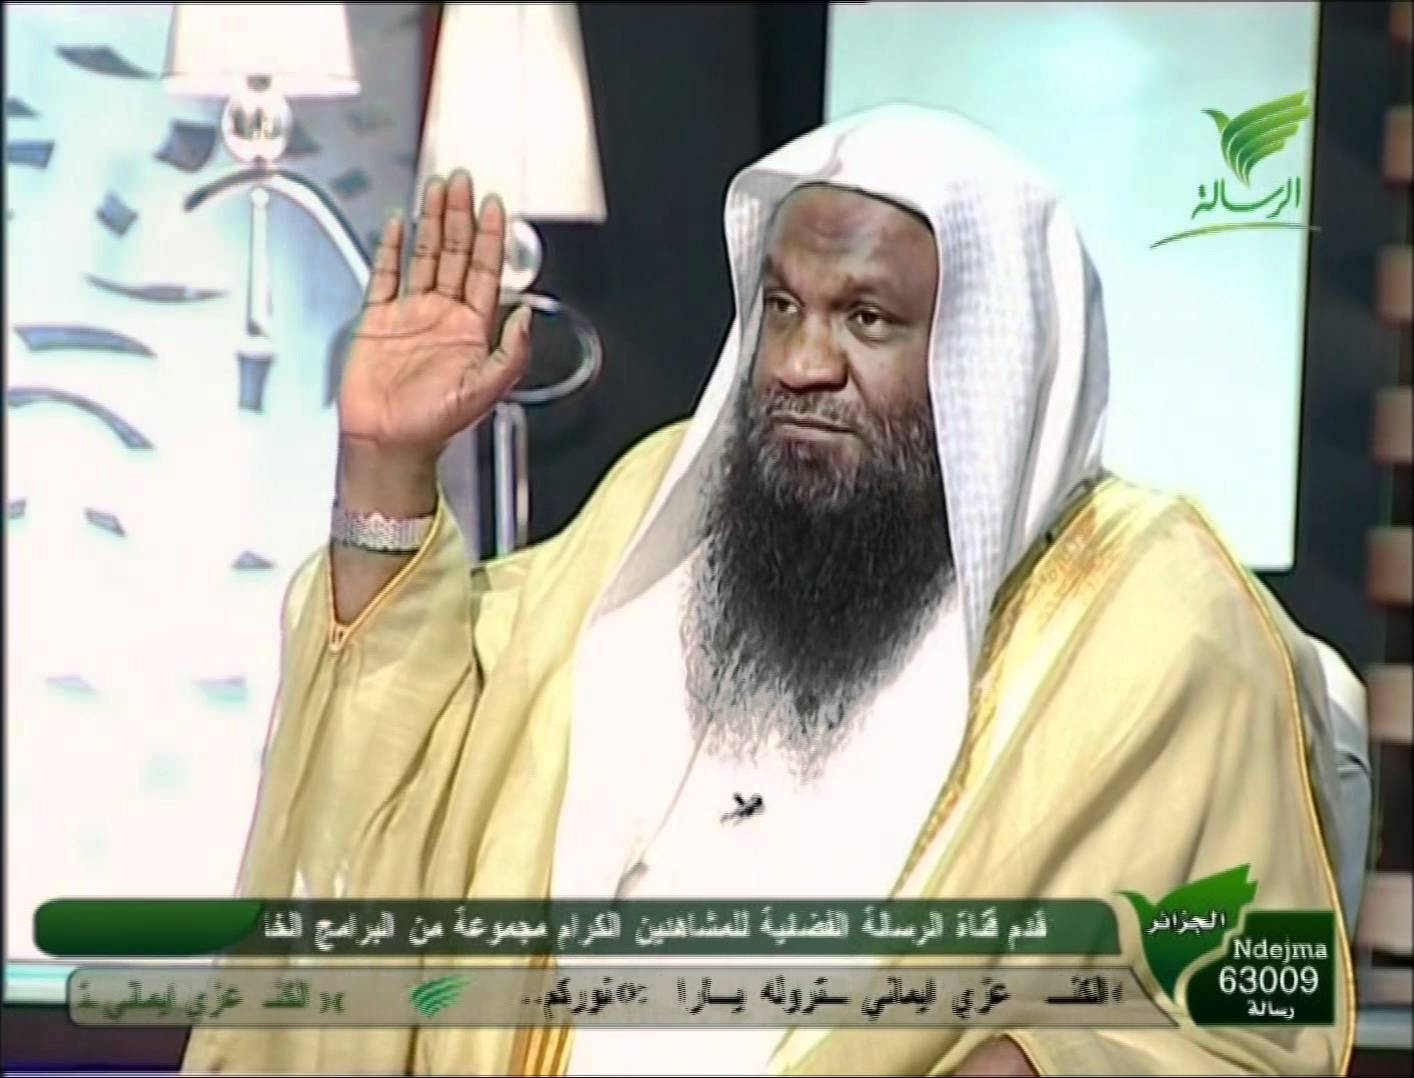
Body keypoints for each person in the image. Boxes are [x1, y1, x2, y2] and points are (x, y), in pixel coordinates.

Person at [182, 104, 1355, 1076]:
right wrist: (386, 469)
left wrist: (1047, 1063)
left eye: (866, 318)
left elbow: (1255, 1023)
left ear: (987, 362)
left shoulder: (1150, 618)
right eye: (782, 306)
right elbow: (432, 739)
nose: (797, 364)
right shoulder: (669, 516)